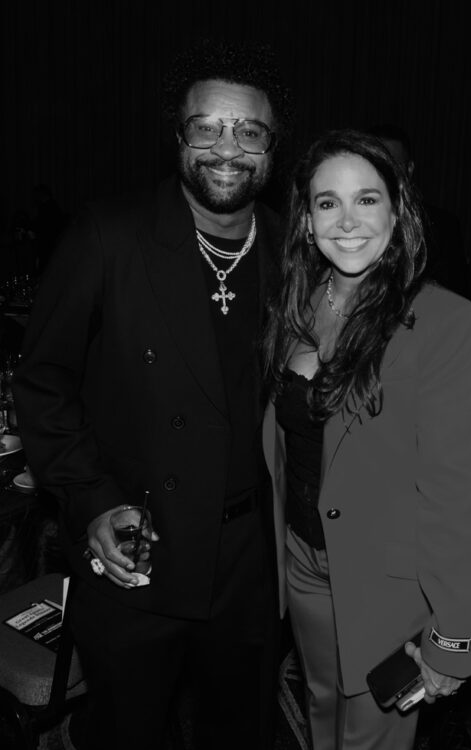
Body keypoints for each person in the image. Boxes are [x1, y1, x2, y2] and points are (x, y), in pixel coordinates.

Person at [13, 40, 291, 750]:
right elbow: (44, 383)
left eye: (248, 131)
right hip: (139, 548)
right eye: (207, 127)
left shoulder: (294, 252)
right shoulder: (109, 237)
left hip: (250, 561)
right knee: (129, 731)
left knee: (240, 730)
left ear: (271, 149)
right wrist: (92, 499)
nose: (226, 147)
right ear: (178, 138)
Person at [262, 129, 471, 749]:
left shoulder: (444, 323)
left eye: (367, 199)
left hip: (389, 584)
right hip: (304, 561)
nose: (348, 220)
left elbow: (451, 494)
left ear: (398, 209)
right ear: (307, 221)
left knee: (370, 738)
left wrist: (450, 637)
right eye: (327, 202)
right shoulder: (297, 306)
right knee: (319, 705)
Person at [368, 123, 469, 296]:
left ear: (409, 170)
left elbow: (457, 293)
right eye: (375, 164)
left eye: (393, 164)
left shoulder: (442, 226)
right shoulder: (346, 222)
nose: (384, 173)